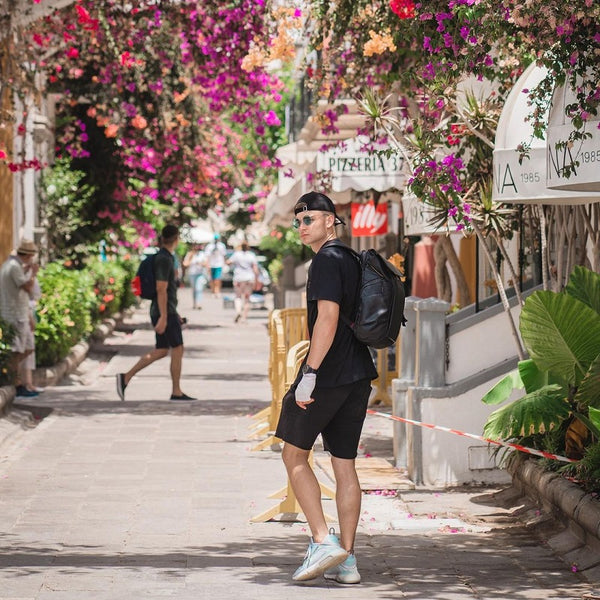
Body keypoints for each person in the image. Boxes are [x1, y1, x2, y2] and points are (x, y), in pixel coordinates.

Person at [275, 192, 378, 584]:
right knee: (344, 464)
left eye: (309, 219)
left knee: (293, 455)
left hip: (328, 375)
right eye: (297, 222)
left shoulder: (325, 260)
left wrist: (310, 373)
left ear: (330, 220)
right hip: (358, 374)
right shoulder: (350, 258)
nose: (302, 227)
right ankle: (347, 561)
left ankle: (322, 540)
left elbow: (328, 318)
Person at [116, 225, 195, 402]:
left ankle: (125, 377)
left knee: (161, 350)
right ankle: (176, 391)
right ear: (176, 238)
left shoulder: (165, 257)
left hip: (165, 310)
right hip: (163, 311)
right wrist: (164, 317)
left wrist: (173, 313)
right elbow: (161, 289)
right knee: (177, 348)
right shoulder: (164, 259)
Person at [0, 239, 40, 398]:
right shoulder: (13, 267)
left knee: (27, 348)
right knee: (16, 351)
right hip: (15, 315)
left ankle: (12, 375)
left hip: (21, 313)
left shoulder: (12, 266)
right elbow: (28, 287)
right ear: (28, 255)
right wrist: (33, 274)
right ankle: (15, 383)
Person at [227, 242, 259, 324]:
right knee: (247, 299)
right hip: (249, 279)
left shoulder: (237, 254)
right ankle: (244, 318)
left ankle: (238, 311)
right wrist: (256, 280)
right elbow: (255, 269)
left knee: (238, 297)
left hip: (238, 278)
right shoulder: (251, 255)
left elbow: (228, 262)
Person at [182, 244, 207, 309]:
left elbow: (206, 263)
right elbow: (185, 264)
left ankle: (198, 303)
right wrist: (190, 259)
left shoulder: (202, 254)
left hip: (200, 274)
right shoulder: (189, 254)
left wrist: (200, 263)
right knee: (194, 289)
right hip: (192, 274)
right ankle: (195, 303)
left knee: (199, 288)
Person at [204, 233, 227, 297]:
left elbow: (224, 255)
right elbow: (207, 256)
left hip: (219, 264)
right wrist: (207, 265)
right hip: (211, 265)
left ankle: (217, 291)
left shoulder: (221, 246)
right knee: (212, 279)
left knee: (217, 279)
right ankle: (213, 291)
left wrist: (224, 264)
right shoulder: (209, 246)